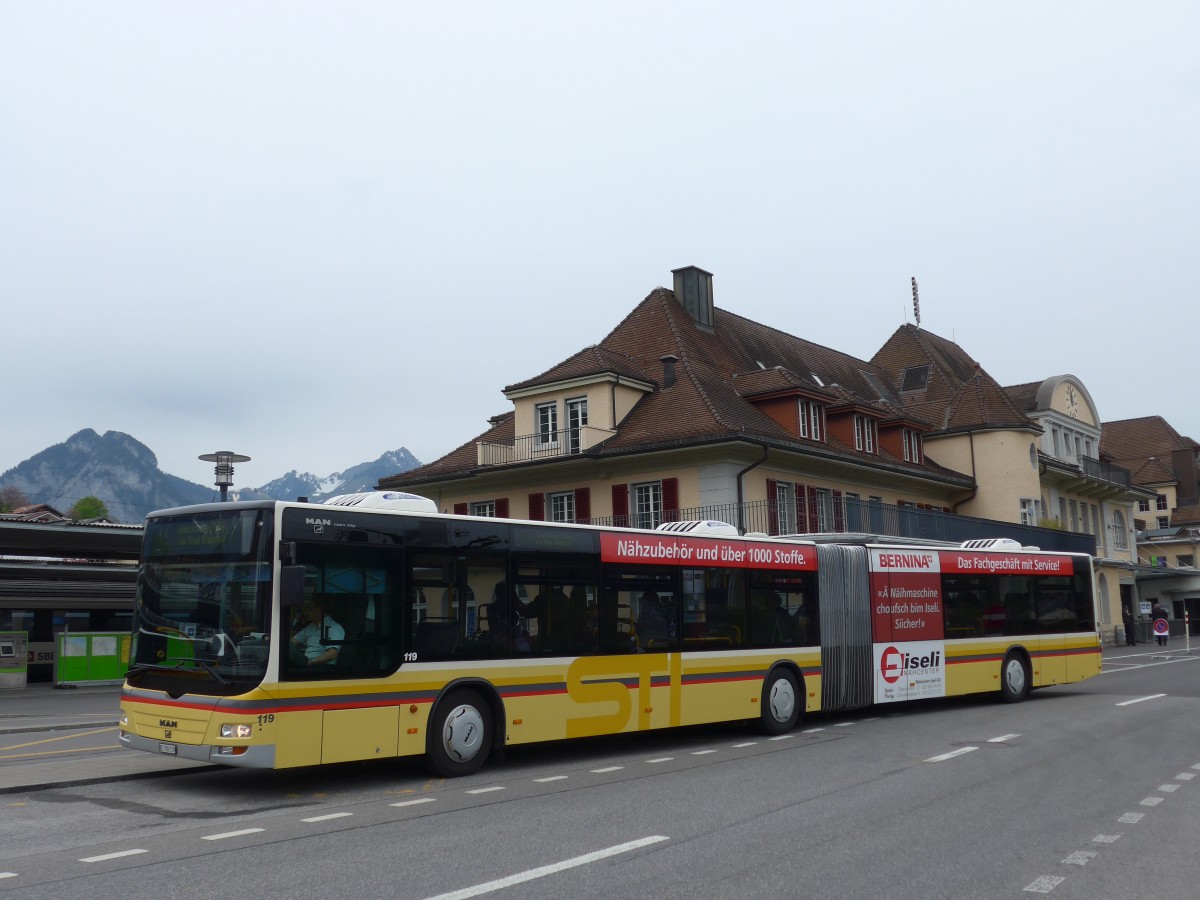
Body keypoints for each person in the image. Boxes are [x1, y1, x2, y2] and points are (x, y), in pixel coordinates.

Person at [290, 601, 344, 667]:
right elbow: (293, 642)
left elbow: (333, 654)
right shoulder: (310, 627)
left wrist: (312, 662)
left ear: (319, 610)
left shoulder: (334, 627)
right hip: (307, 664)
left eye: (309, 610)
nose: (306, 613)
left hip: (323, 667)